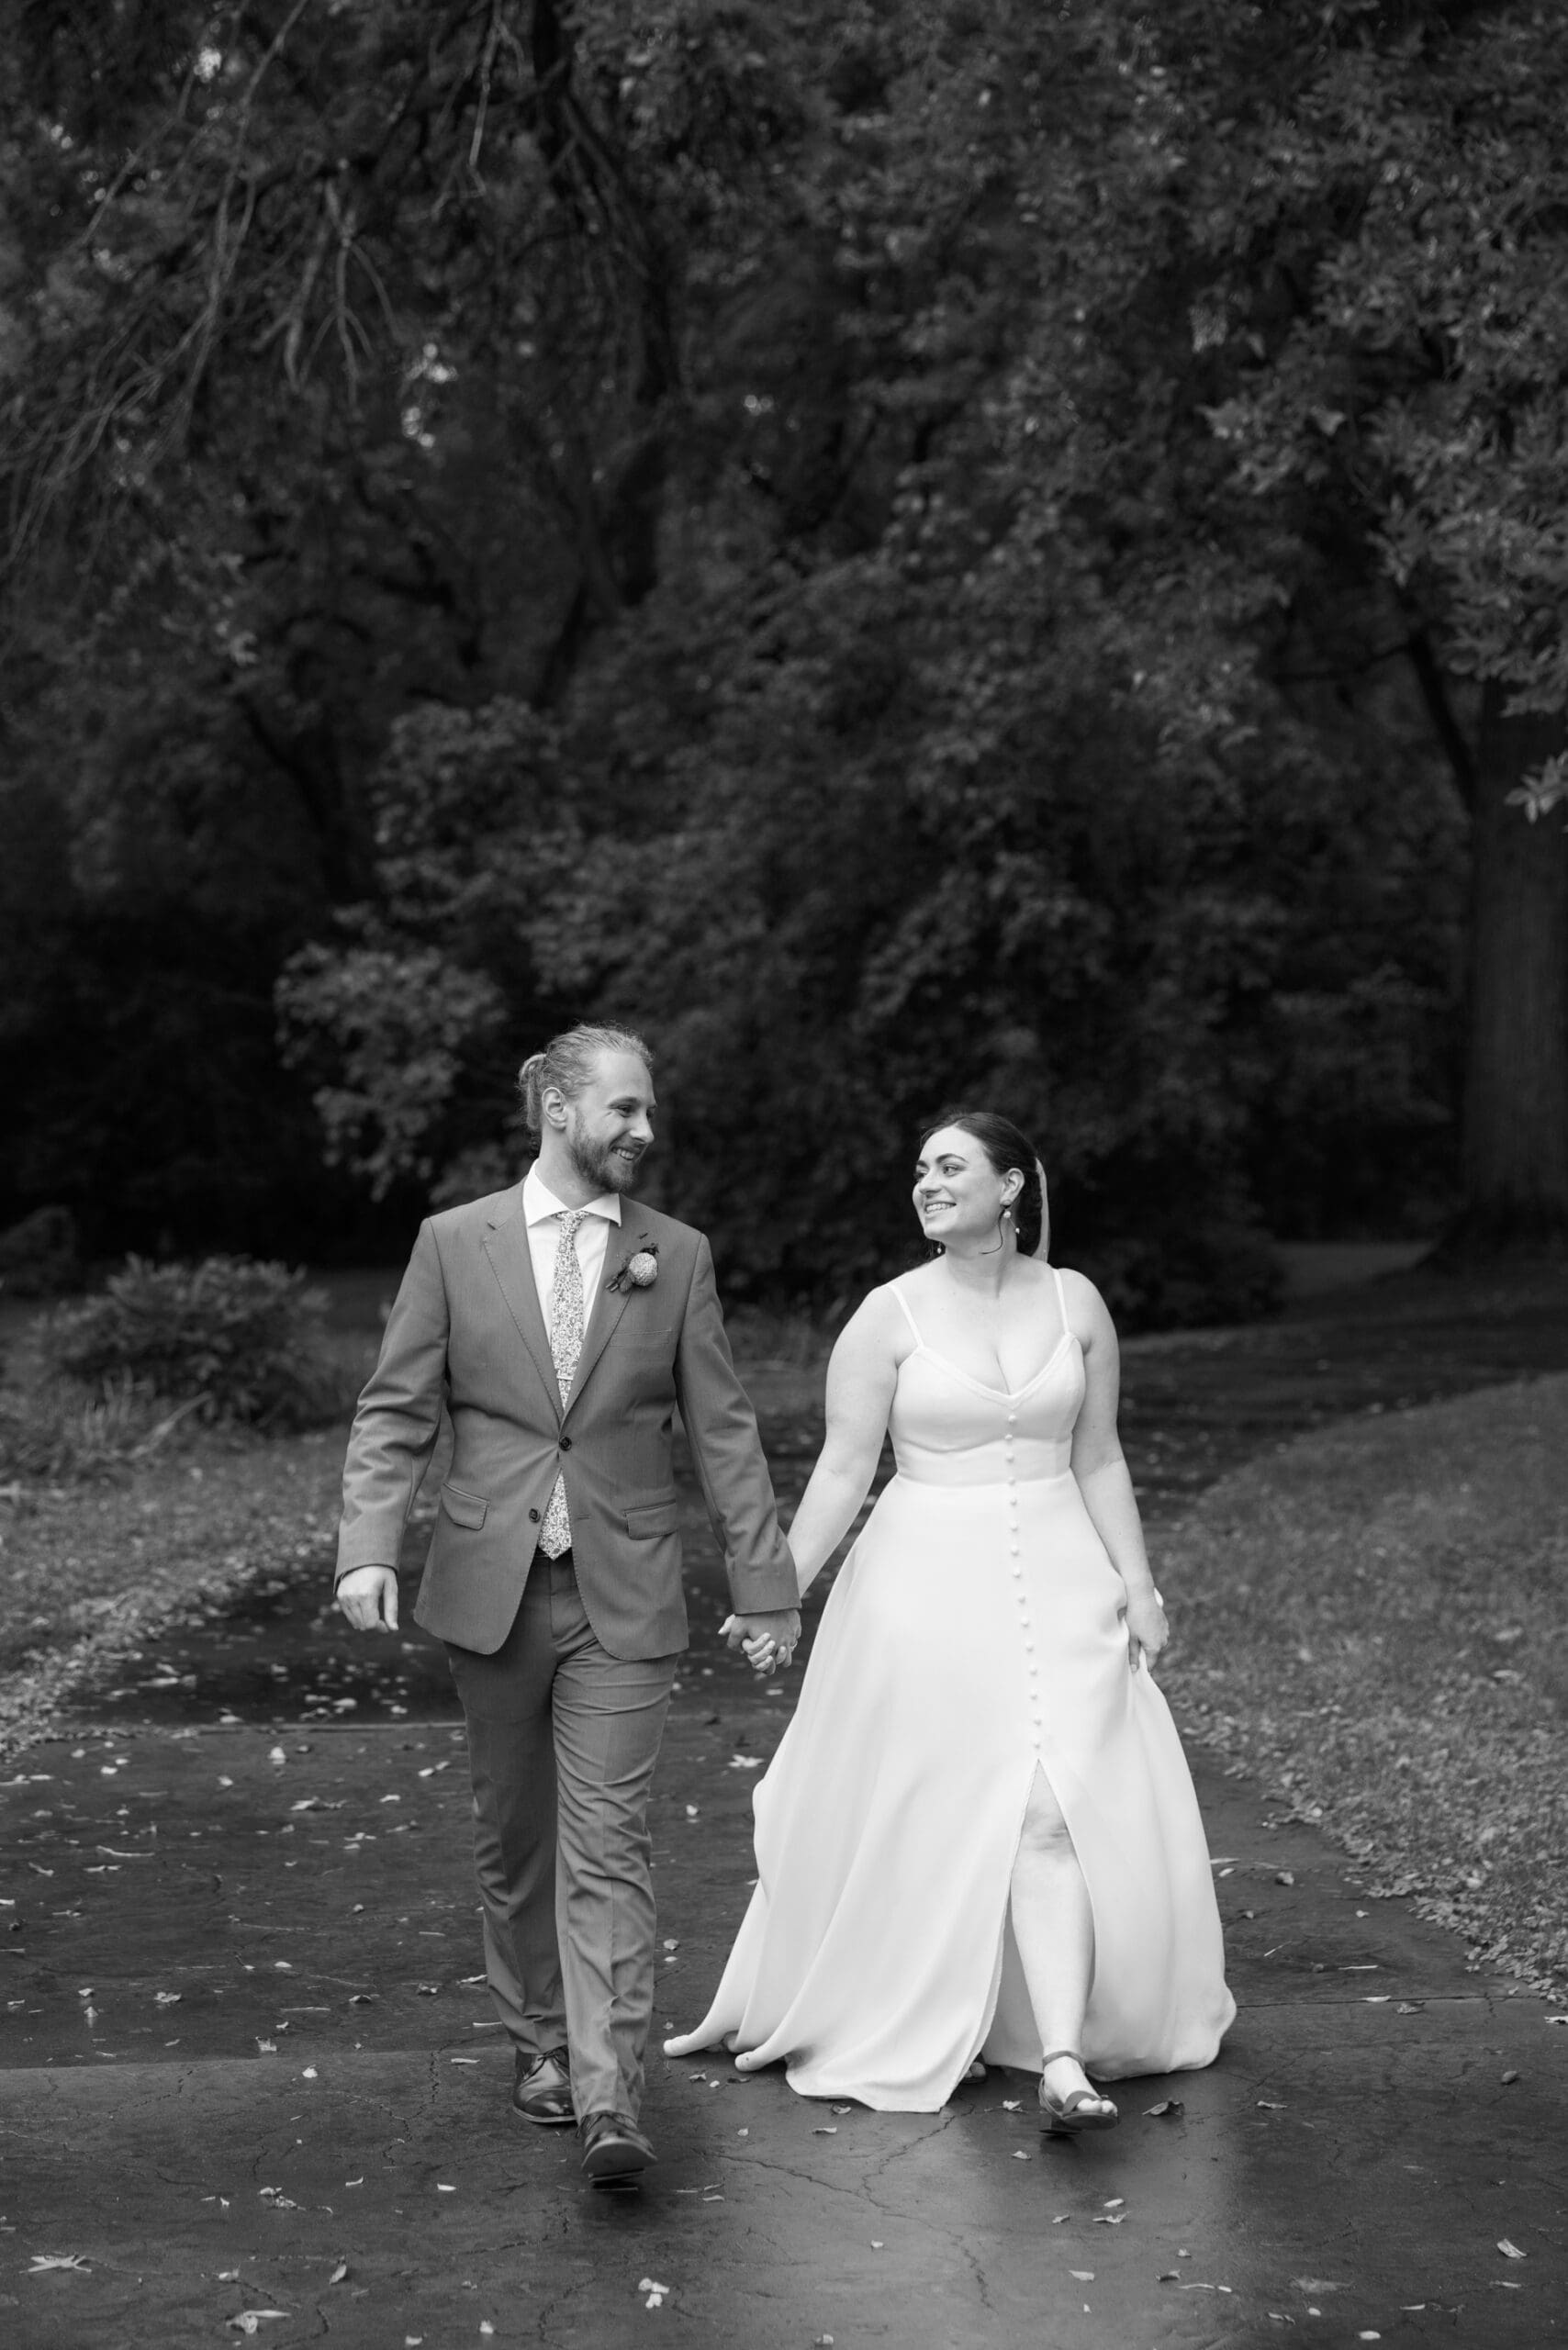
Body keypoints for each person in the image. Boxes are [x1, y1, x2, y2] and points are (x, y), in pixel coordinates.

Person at [666, 1109, 1235, 2126]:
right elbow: (845, 1468)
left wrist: (1138, 1585)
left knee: (1051, 1806)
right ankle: (935, 2009)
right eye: (919, 1168)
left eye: (950, 1165)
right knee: (948, 1809)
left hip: (1063, 1578)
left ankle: (1062, 2055)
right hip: (925, 1588)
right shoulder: (887, 1316)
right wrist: (776, 1586)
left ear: (1011, 1186)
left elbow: (1099, 1455)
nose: (926, 1182)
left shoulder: (1077, 1303)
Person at [334, 1024, 801, 2184]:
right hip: (490, 1585)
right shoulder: (455, 1242)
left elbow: (724, 1430)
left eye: (649, 1111)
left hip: (624, 1591)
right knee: (515, 1836)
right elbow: (396, 1409)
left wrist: (766, 1584)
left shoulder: (673, 1255)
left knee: (610, 1842)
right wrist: (366, 1547)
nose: (646, 1130)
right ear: (556, 1108)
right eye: (626, 1109)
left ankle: (607, 2094)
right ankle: (538, 2042)